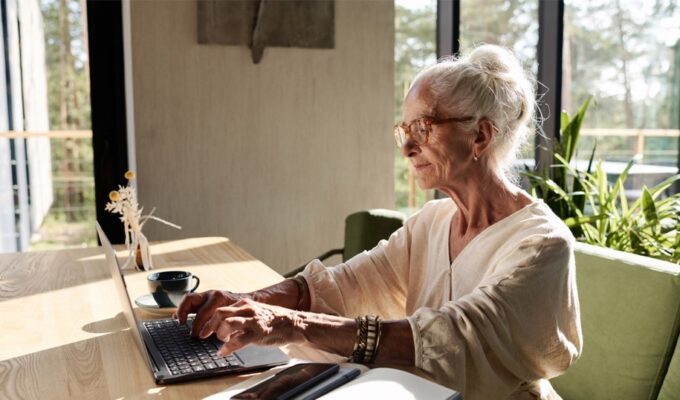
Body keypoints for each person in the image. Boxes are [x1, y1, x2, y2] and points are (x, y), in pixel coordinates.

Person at [175, 44, 582, 400]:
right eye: (404, 130)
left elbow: (453, 337)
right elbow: (343, 284)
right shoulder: (433, 221)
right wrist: (246, 301)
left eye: (423, 127)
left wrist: (292, 324)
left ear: (480, 137)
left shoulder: (541, 245)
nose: (407, 146)